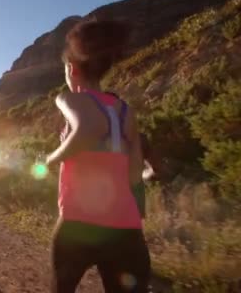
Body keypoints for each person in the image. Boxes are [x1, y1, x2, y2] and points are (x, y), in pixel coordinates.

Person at [45, 20, 150, 293]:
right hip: (126, 231)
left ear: (71, 68)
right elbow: (135, 173)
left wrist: (51, 159)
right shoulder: (126, 111)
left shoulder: (71, 99)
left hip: (79, 224)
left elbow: (88, 129)